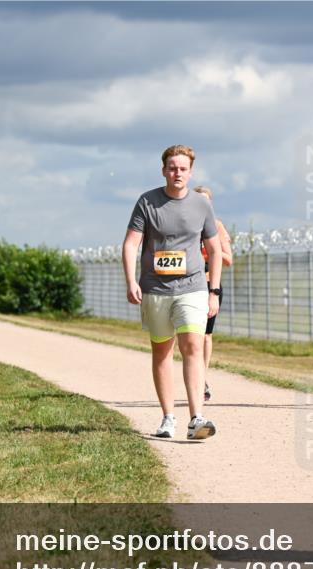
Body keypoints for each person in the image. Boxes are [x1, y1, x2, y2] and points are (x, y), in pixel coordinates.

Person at [122, 145, 223, 440]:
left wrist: (213, 291)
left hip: (192, 287)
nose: (177, 173)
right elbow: (131, 244)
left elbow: (215, 250)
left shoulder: (201, 205)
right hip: (155, 288)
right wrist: (131, 281)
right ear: (164, 170)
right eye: (172, 168)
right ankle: (168, 417)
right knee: (162, 351)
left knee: (192, 345)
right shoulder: (147, 202)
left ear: (190, 172)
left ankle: (197, 418)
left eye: (182, 168)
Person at [193, 186, 233, 402]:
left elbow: (228, 258)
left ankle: (203, 378)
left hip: (210, 286)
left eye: (206, 201)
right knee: (189, 337)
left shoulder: (216, 226)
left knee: (206, 335)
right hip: (187, 286)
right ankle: (196, 373)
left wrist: (209, 255)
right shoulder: (186, 223)